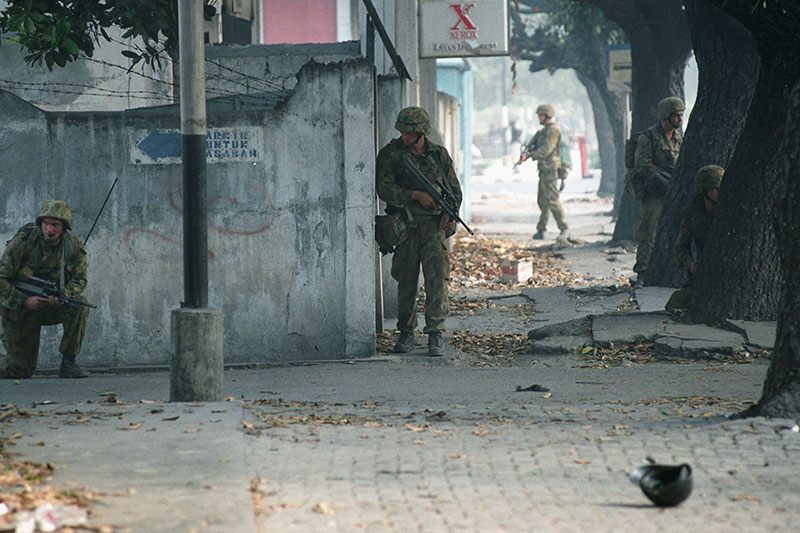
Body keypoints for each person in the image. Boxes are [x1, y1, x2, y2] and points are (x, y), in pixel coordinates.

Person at [376, 107, 463, 356]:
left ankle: (435, 332)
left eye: (410, 132)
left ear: (421, 133)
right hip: (406, 225)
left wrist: (449, 213)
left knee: (437, 281)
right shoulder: (391, 154)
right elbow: (384, 188)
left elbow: (454, 191)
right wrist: (415, 195)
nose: (404, 136)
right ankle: (406, 332)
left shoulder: (438, 155)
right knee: (406, 281)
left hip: (434, 228)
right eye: (402, 131)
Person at [0, 200, 90, 378]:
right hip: (18, 307)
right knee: (19, 371)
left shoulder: (73, 246)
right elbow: (2, 278)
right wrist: (24, 300)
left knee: (80, 305)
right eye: (46, 224)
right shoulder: (24, 242)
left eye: (55, 225)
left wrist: (65, 294)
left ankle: (69, 362)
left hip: (49, 305)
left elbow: (80, 279)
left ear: (64, 227)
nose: (49, 229)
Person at [632, 96, 684, 286]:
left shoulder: (678, 138)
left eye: (681, 115)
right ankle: (642, 273)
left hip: (673, 192)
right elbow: (643, 165)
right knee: (648, 232)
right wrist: (663, 181)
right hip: (654, 193)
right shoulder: (649, 137)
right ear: (665, 116)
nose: (680, 119)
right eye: (676, 116)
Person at [665, 165, 723, 311]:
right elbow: (681, 247)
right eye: (716, 188)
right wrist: (690, 265)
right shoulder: (692, 214)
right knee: (677, 304)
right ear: (705, 191)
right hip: (701, 274)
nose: (720, 191)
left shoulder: (728, 210)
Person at [520, 104, 569, 242]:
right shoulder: (544, 131)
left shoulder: (553, 131)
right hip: (544, 169)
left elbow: (546, 150)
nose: (539, 117)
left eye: (540, 115)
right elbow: (535, 145)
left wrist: (529, 155)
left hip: (551, 169)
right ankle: (541, 229)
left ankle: (564, 228)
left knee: (553, 200)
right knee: (543, 200)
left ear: (547, 115)